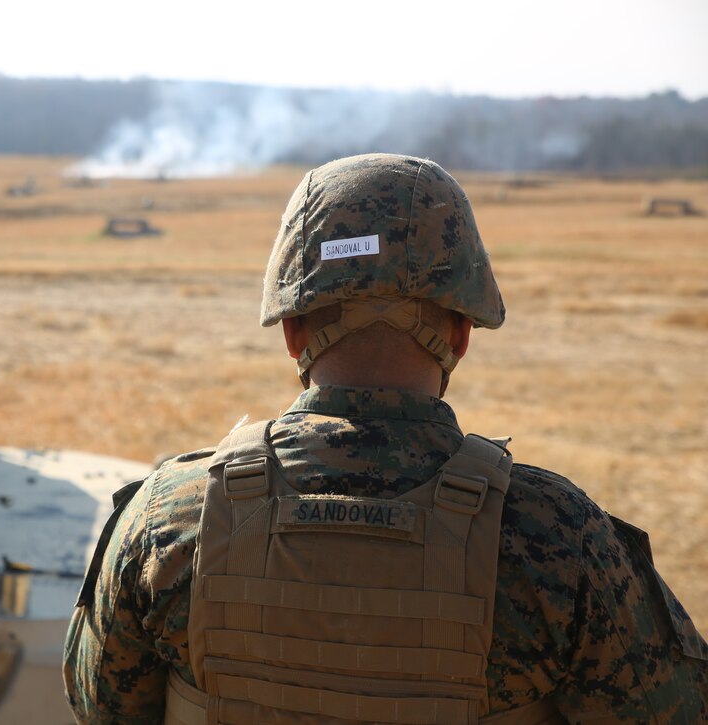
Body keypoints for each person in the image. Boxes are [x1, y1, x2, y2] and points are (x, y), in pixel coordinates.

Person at [63, 153, 708, 723]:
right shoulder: (559, 540)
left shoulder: (167, 520)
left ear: (292, 332)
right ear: (460, 332)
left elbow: (102, 706)